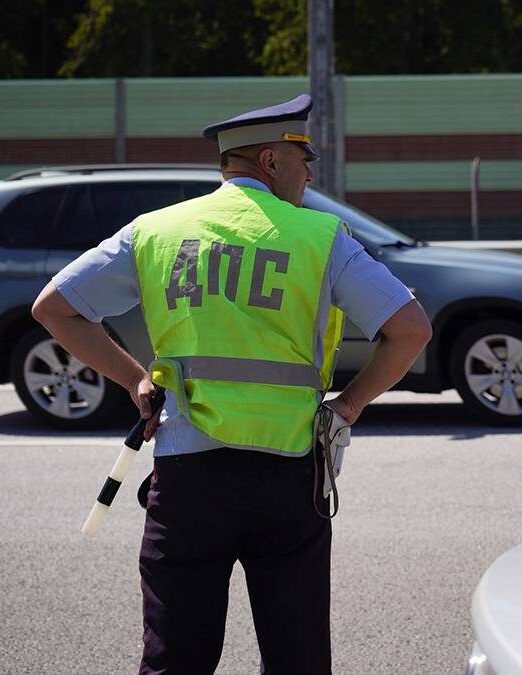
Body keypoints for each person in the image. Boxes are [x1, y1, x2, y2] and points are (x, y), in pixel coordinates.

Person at [31, 94, 432, 674]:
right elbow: (411, 328)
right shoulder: (321, 237)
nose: (310, 171)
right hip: (288, 474)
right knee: (296, 658)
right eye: (303, 157)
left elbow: (55, 308)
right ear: (271, 161)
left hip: (188, 477)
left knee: (177, 660)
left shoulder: (157, 231)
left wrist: (134, 378)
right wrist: (348, 406)